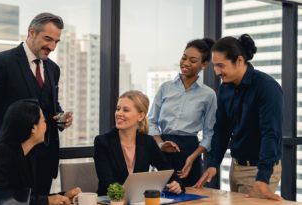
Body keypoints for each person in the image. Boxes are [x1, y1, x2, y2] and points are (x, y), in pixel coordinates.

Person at [0, 12, 73, 196]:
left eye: (56, 42)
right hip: (10, 159)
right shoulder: (3, 62)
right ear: (32, 32)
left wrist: (60, 117)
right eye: (48, 39)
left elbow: (50, 104)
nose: (52, 46)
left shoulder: (53, 68)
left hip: (45, 159)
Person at [194, 34, 283, 201]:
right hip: (236, 168)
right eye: (215, 66)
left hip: (259, 170)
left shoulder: (267, 87)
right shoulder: (225, 89)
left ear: (239, 61)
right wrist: (213, 164)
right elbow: (222, 129)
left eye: (221, 66)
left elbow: (270, 135)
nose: (216, 71)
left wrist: (263, 178)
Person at [0, 99, 81, 205]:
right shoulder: (2, 155)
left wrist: (63, 196)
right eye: (44, 121)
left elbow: (28, 198)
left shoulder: (27, 153)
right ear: (33, 128)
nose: (46, 126)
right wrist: (47, 201)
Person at [148, 38, 217, 186]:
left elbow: (209, 133)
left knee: (190, 198)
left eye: (192, 61)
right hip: (164, 149)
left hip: (190, 151)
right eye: (184, 58)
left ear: (204, 64)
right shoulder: (165, 88)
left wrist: (192, 158)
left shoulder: (209, 95)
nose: (185, 63)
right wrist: (160, 144)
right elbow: (151, 121)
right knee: (160, 195)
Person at [94, 90, 183, 196]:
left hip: (139, 201)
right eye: (118, 109)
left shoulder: (148, 142)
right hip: (111, 201)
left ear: (140, 116)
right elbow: (107, 182)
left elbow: (168, 172)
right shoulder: (102, 142)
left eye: (126, 110)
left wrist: (177, 184)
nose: (119, 113)